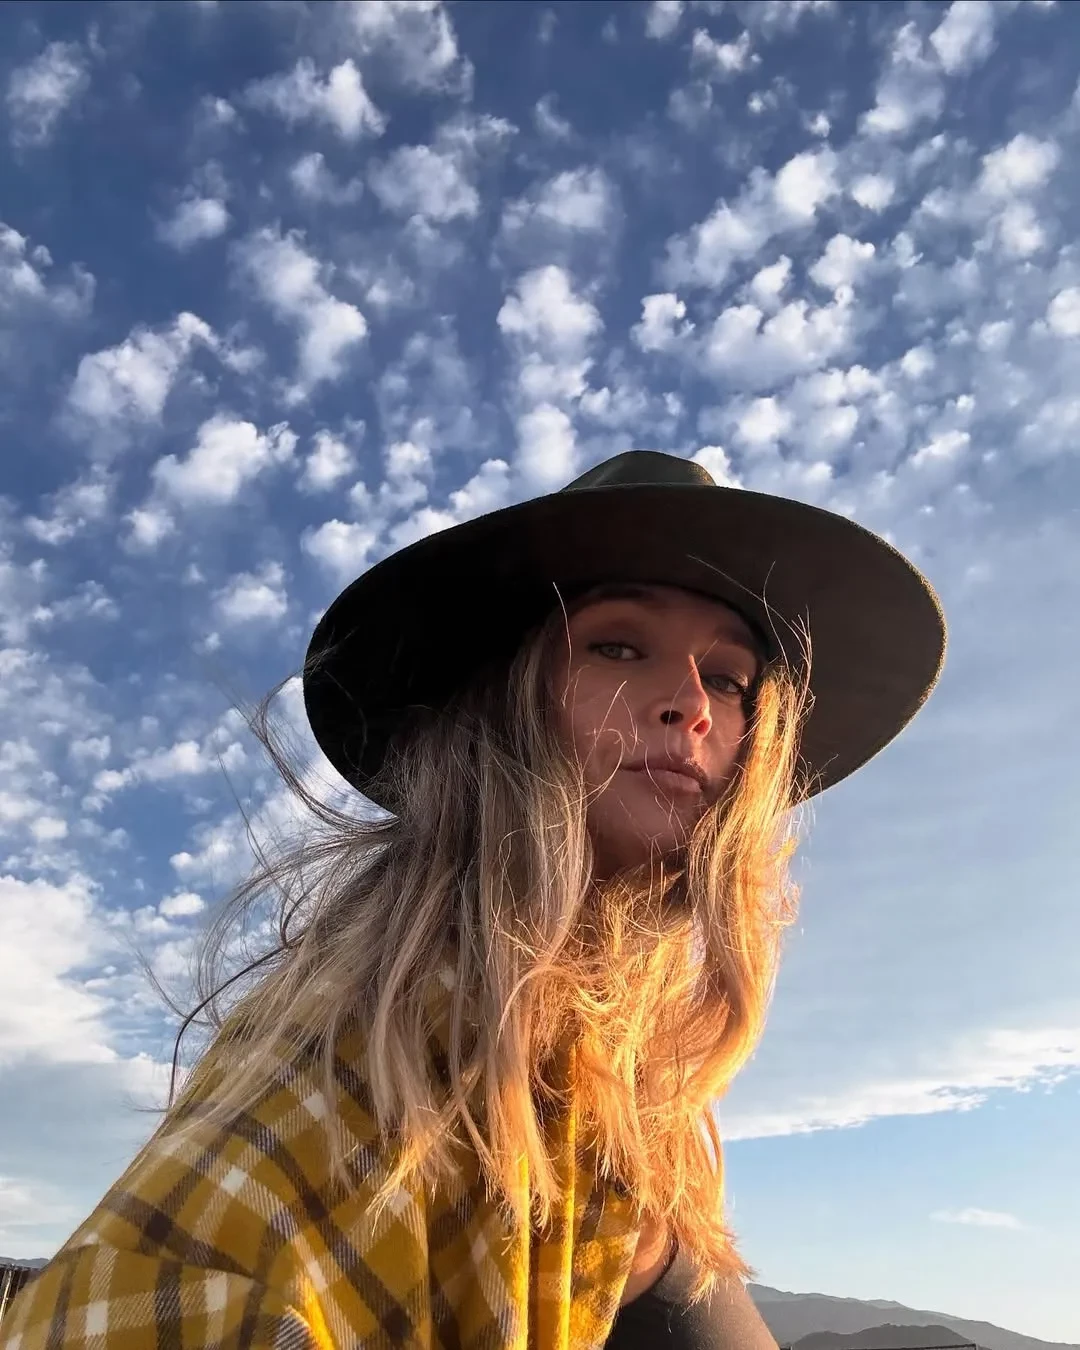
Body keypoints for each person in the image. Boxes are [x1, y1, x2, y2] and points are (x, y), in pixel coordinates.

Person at [0, 451, 945, 1349]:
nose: (692, 703)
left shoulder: (635, 1083)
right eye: (618, 646)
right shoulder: (376, 1040)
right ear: (501, 705)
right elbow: (130, 1304)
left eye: (730, 679)